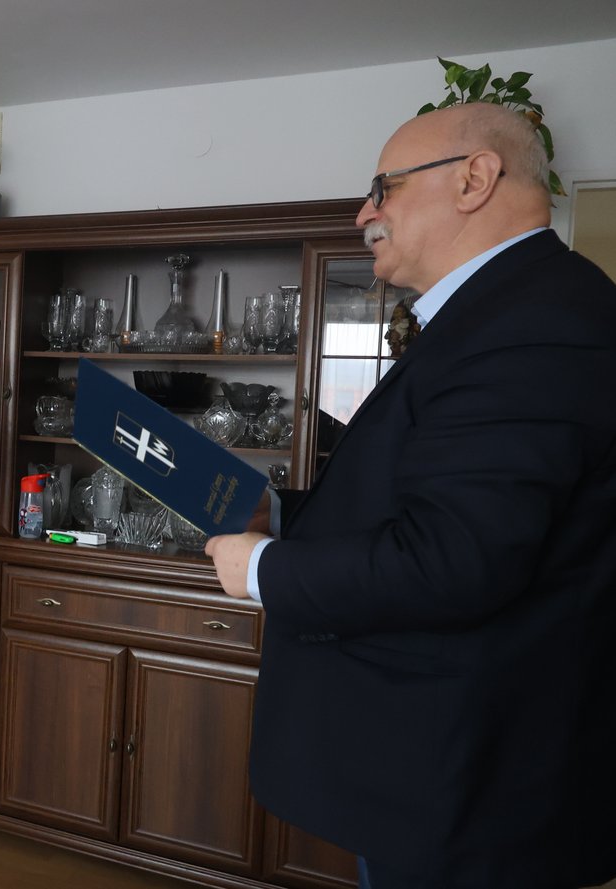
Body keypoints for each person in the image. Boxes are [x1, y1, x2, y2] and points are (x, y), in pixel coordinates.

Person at [204, 103, 616, 889]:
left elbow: (453, 558)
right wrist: (281, 514)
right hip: (443, 780)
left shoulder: (534, 322)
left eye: (383, 188)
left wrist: (261, 568)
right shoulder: (500, 313)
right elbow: (428, 501)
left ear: (474, 179)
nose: (364, 214)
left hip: (475, 792)